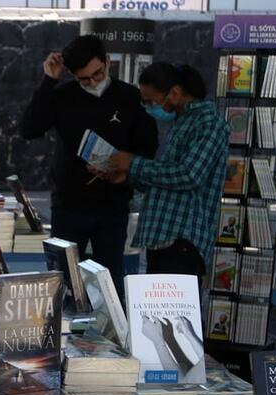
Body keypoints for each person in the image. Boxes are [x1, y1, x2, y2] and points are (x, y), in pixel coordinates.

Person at [20, 35, 157, 300]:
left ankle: (112, 339)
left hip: (113, 205)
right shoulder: (62, 96)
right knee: (63, 283)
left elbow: (147, 146)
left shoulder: (129, 96)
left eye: (98, 74)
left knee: (109, 283)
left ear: (107, 62)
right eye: (84, 79)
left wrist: (124, 168)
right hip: (69, 205)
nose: (93, 82)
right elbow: (29, 128)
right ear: (73, 75)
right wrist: (49, 80)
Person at [104, 63, 228, 287]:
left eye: (151, 101)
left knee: (177, 319)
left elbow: (189, 175)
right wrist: (128, 175)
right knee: (158, 320)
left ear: (175, 93)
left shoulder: (209, 124)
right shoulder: (182, 122)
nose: (149, 107)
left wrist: (133, 163)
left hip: (183, 242)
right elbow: (166, 180)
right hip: (162, 239)